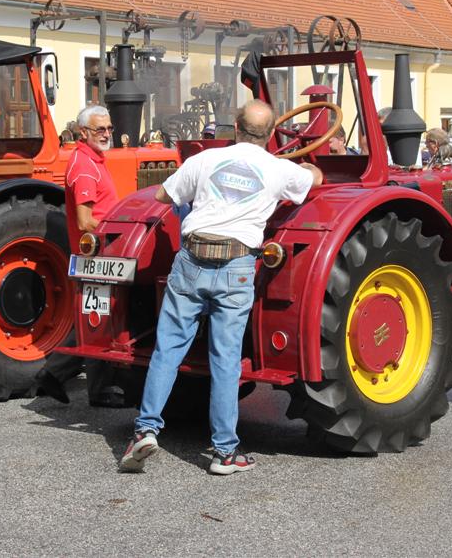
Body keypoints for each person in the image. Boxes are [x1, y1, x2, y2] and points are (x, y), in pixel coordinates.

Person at [119, 100, 324, 475]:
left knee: (169, 349)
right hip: (237, 266)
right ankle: (224, 452)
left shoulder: (205, 160)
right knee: (225, 359)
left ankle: (146, 430)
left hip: (193, 260)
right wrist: (307, 165)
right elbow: (316, 182)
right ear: (273, 130)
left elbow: (164, 196)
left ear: (236, 126)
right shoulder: (279, 169)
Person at [35, 105, 125, 407]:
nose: (107, 134)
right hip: (96, 255)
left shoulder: (92, 160)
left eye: (110, 128)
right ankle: (59, 375)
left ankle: (85, 383)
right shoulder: (85, 167)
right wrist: (121, 231)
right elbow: (86, 220)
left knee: (97, 320)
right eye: (100, 129)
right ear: (83, 133)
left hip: (98, 255)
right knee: (99, 322)